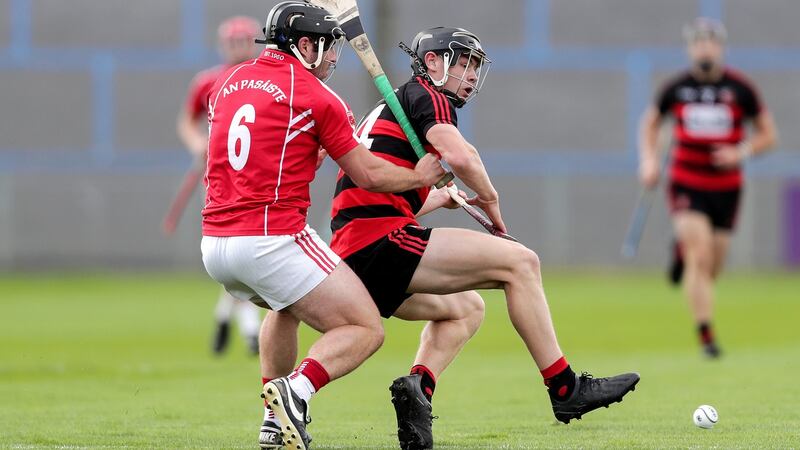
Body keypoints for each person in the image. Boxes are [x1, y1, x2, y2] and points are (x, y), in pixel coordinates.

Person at [259, 27, 640, 450]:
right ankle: (566, 389)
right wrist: (491, 202)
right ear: (434, 63)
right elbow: (461, 156)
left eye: (476, 66)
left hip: (358, 250)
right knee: (521, 263)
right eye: (463, 63)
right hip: (380, 242)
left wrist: (433, 198)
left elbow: (374, 193)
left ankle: (417, 391)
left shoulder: (391, 107)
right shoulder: (428, 95)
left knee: (465, 310)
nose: (471, 75)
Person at [199, 3, 446, 450]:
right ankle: (297, 391)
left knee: (284, 306)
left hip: (215, 246)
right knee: (365, 329)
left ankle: (273, 424)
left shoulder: (226, 83)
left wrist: (315, 147)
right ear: (305, 45)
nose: (335, 57)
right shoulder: (316, 96)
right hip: (271, 239)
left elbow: (269, 153)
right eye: (329, 47)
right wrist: (420, 177)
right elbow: (367, 174)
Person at [638, 18, 777, 358]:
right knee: (700, 257)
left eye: (711, 42)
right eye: (698, 42)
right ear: (690, 48)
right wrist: (650, 161)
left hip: (727, 188)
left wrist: (740, 151)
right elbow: (651, 123)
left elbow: (768, 135)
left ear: (721, 47)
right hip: (688, 182)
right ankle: (707, 336)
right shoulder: (676, 88)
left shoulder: (740, 89)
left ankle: (681, 252)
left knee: (713, 266)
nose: (705, 48)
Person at [176, 16, 263, 356]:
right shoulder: (208, 81)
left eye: (245, 42)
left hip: (260, 179)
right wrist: (197, 143)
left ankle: (227, 317)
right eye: (233, 42)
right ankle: (251, 329)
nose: (239, 49)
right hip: (219, 179)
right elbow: (187, 121)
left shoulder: (266, 79)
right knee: (233, 249)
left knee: (243, 253)